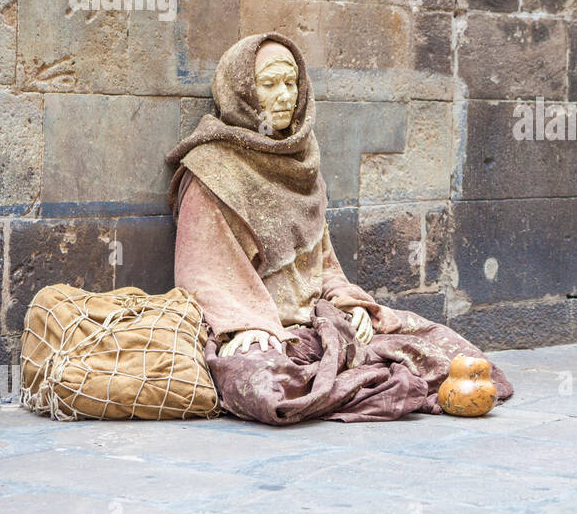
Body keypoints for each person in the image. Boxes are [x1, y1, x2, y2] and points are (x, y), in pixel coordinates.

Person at [165, 32, 512, 424]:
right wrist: (244, 325)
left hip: (318, 319)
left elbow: (322, 261)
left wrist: (349, 302)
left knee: (450, 351)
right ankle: (373, 385)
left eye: (291, 82)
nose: (285, 96)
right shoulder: (212, 167)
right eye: (269, 84)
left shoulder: (302, 159)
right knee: (265, 385)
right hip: (256, 330)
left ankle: (362, 381)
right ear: (242, 91)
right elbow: (202, 272)